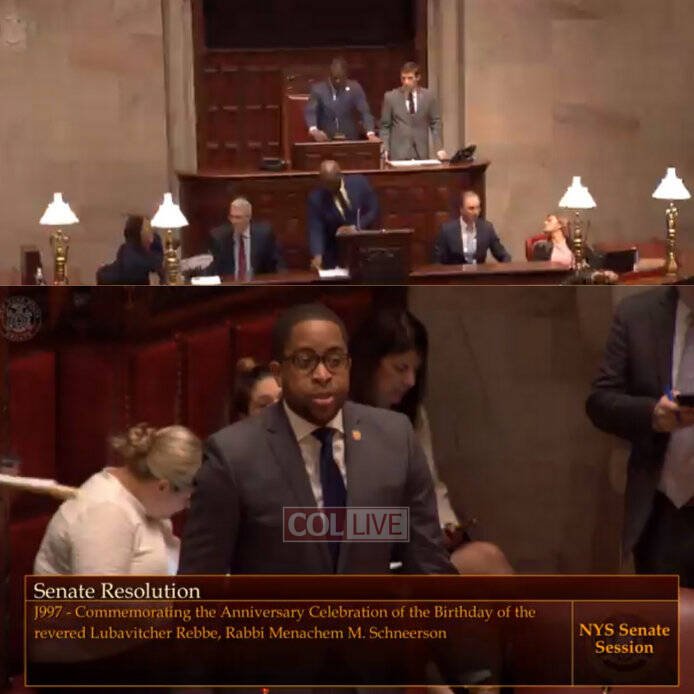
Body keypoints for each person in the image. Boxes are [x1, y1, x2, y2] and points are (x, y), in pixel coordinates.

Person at [179, 302, 455, 576]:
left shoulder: (395, 437)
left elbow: (428, 563)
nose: (323, 375)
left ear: (348, 365)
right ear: (278, 373)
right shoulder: (232, 456)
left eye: (335, 361)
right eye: (305, 361)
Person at [349, 308, 513, 575]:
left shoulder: (411, 417)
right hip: (364, 553)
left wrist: (446, 526)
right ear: (369, 362)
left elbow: (431, 486)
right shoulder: (337, 417)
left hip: (414, 545)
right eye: (400, 368)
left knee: (485, 557)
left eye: (415, 370)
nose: (410, 381)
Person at [586, 284, 694, 586]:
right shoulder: (637, 315)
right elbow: (600, 402)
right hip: (664, 514)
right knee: (663, 615)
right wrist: (652, 416)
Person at [34, 423, 202, 575]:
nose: (187, 506)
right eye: (187, 499)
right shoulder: (105, 515)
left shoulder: (145, 501)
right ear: (163, 486)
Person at [307, 160, 379, 270]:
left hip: (364, 244)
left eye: (331, 183)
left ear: (340, 175)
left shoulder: (359, 184)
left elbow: (373, 210)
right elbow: (316, 228)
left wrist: (356, 227)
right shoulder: (316, 198)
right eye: (326, 183)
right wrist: (317, 255)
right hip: (336, 250)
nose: (329, 187)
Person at [380, 61, 446, 161]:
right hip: (399, 154)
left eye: (410, 78)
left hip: (421, 153)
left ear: (418, 77)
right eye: (403, 78)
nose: (406, 82)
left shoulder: (428, 97)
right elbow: (385, 126)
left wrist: (439, 147)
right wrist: (385, 148)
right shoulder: (390, 97)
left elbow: (436, 123)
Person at [207, 197, 284, 279]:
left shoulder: (264, 235)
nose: (234, 221)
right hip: (229, 284)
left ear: (248, 217)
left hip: (257, 283)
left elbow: (278, 265)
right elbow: (211, 268)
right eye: (231, 217)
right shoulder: (219, 237)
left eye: (238, 217)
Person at [304, 57, 378, 142]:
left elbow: (365, 112)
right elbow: (311, 111)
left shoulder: (355, 88)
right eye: (335, 78)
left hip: (349, 138)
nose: (338, 81)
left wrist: (370, 133)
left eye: (341, 78)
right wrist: (314, 129)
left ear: (346, 76)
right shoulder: (318, 89)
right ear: (330, 76)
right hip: (325, 138)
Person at [433, 191, 511, 265]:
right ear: (461, 209)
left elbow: (503, 255)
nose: (476, 212)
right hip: (455, 273)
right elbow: (438, 261)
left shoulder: (487, 228)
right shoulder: (447, 230)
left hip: (479, 274)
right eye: (471, 208)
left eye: (478, 208)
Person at [96, 215, 163, 285]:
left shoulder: (127, 250)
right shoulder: (134, 256)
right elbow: (155, 262)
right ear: (140, 233)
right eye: (148, 230)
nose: (151, 233)